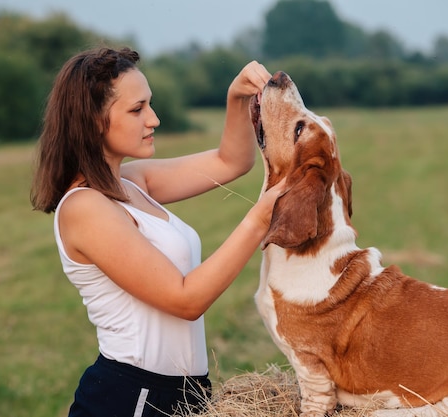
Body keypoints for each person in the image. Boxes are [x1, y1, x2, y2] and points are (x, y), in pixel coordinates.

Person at [30, 46, 284, 417]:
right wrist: (261, 218)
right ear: (92, 120)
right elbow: (185, 300)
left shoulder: (132, 182)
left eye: (149, 104)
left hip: (185, 395)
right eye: (137, 109)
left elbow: (230, 162)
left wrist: (236, 97)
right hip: (133, 397)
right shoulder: (83, 208)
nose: (154, 119)